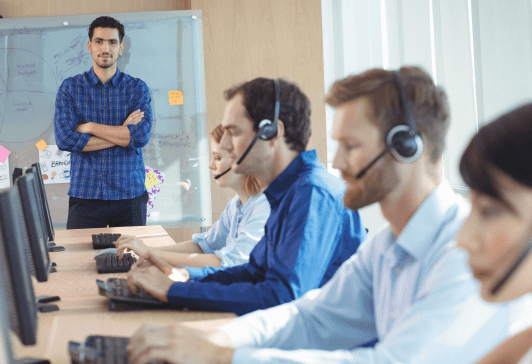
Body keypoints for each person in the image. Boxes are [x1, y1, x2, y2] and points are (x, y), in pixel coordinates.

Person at [125, 67, 531, 364]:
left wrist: (227, 358)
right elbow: (317, 322)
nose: (335, 161)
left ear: (406, 147)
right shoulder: (391, 249)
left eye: (351, 145)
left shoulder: (454, 262)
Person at [123, 77, 366, 315]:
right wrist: (186, 277)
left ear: (272, 133)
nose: (225, 145)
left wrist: (174, 291)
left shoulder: (312, 193)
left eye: (234, 132)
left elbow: (281, 297)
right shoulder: (283, 192)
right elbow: (252, 272)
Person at [114, 124, 270, 278]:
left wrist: (150, 254)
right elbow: (203, 247)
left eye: (218, 158)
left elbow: (228, 263)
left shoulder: (263, 207)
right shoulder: (235, 205)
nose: (210, 165)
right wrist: (145, 249)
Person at [54, 15, 152, 229]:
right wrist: (123, 134)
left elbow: (141, 136)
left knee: (132, 260)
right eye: (99, 41)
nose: (105, 48)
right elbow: (65, 140)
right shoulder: (70, 88)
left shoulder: (137, 88)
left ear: (121, 47)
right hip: (85, 196)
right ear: (89, 46)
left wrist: (89, 128)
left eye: (112, 42)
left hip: (130, 195)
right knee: (79, 261)